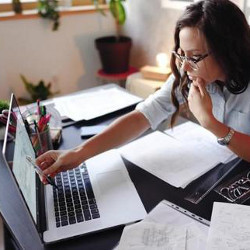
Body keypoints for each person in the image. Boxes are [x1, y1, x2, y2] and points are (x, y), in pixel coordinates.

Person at [36, 0, 250, 183]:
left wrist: (209, 122)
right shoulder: (191, 75)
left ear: (227, 49)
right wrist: (78, 153)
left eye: (194, 57)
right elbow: (143, 115)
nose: (184, 66)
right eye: (181, 55)